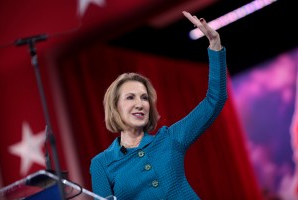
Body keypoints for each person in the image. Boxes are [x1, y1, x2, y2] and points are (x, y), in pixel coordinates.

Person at [90, 11, 227, 200]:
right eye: (130, 97)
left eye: (144, 98)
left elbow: (215, 100)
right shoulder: (101, 164)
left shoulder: (169, 139)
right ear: (115, 106)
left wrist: (215, 45)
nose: (140, 104)